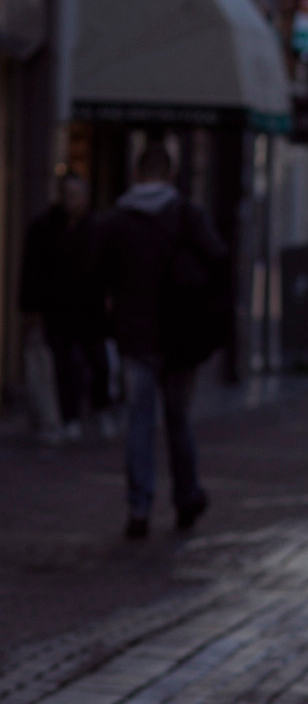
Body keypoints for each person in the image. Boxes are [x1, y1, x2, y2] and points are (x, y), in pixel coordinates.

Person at [94, 140, 228, 538]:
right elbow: (219, 262)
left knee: (139, 419)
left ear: (137, 174)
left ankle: (140, 505)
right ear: (170, 174)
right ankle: (185, 496)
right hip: (179, 335)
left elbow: (98, 278)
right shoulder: (186, 215)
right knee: (178, 419)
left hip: (136, 336)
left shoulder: (116, 221)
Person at [18, 172, 111, 439]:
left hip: (89, 309)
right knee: (62, 364)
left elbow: (106, 267)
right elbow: (31, 269)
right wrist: (29, 307)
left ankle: (99, 407)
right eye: (67, 195)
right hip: (57, 308)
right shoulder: (43, 227)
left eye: (76, 195)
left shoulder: (96, 228)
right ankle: (67, 417)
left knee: (97, 361)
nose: (71, 201)